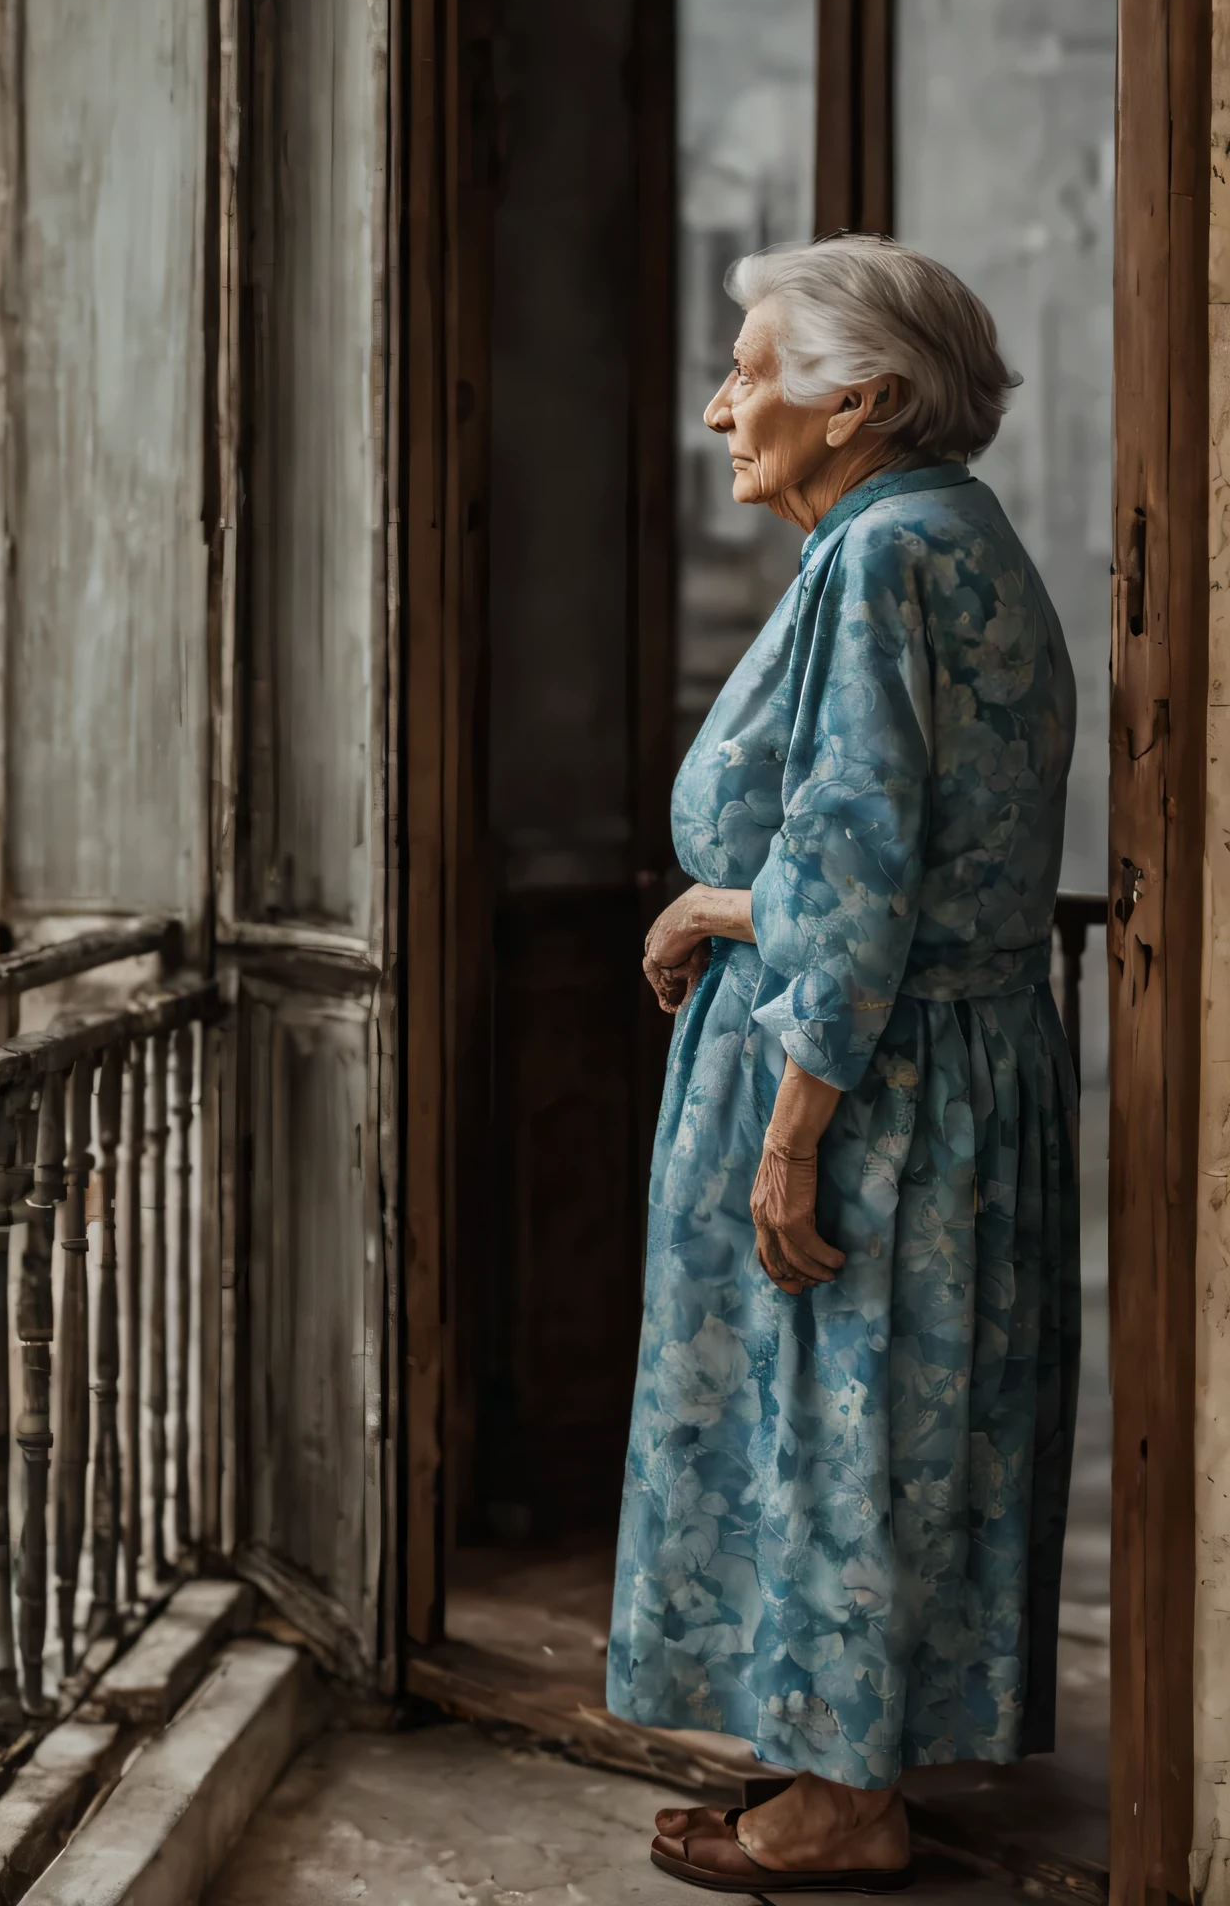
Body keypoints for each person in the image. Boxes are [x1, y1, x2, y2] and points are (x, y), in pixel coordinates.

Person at [611, 235, 1078, 1892]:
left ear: (860, 400)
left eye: (751, 370)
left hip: (871, 1083)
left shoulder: (879, 559)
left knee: (838, 1426)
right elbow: (875, 844)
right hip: (945, 1056)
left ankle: (846, 1805)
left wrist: (793, 1131)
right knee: (879, 1432)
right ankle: (838, 1761)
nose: (723, 405)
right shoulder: (949, 536)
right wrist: (728, 902)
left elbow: (867, 862)